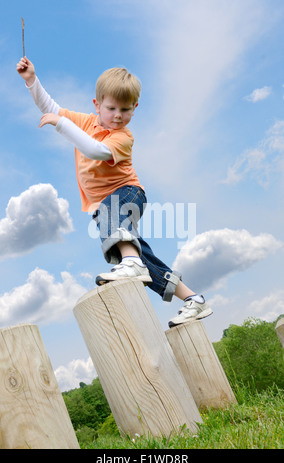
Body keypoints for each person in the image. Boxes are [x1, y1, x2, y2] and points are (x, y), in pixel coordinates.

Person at [16, 56, 213, 328]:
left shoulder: (123, 137)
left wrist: (60, 125)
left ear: (135, 108)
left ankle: (131, 263)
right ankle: (194, 300)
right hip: (106, 207)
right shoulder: (86, 122)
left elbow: (95, 150)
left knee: (115, 222)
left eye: (126, 109)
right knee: (145, 261)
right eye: (111, 108)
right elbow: (49, 106)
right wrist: (31, 80)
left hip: (128, 194)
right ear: (96, 105)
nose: (118, 115)